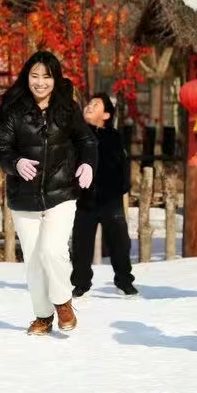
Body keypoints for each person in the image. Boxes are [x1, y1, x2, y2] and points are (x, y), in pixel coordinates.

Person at [0, 50, 97, 335]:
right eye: (35, 76)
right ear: (27, 77)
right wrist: (15, 162)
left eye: (46, 77)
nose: (40, 82)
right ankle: (43, 315)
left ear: (55, 79)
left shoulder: (67, 109)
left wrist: (88, 163)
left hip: (61, 192)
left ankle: (62, 302)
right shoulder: (15, 110)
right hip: (23, 197)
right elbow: (0, 149)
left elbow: (86, 140)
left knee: (53, 250)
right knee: (34, 260)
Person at [71, 93, 137, 298]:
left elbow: (124, 164)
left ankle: (125, 281)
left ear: (106, 115)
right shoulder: (77, 134)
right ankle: (81, 283)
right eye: (89, 103)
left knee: (120, 243)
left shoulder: (114, 137)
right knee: (81, 244)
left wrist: (122, 187)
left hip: (111, 199)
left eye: (96, 104)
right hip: (84, 199)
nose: (89, 106)